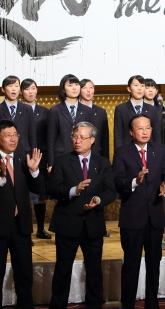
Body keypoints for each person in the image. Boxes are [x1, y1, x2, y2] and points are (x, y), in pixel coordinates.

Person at [0, 119, 43, 309]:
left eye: (15, 135)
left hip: (21, 225)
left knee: (25, 274)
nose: (13, 139)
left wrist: (34, 171)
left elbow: (38, 189)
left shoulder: (23, 159)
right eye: (8, 135)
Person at [48, 122, 116, 309]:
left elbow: (111, 191)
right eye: (74, 137)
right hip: (67, 224)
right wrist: (73, 190)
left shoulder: (103, 163)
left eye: (82, 137)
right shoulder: (62, 161)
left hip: (93, 224)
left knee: (94, 272)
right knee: (62, 271)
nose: (77, 141)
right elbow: (53, 189)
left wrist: (97, 200)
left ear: (92, 140)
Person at [113, 114, 165, 309]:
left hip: (155, 217)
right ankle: (128, 304)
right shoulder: (122, 152)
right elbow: (117, 182)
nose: (145, 132)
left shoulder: (159, 150)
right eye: (140, 128)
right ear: (131, 132)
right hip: (132, 218)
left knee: (154, 264)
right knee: (131, 265)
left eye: (148, 128)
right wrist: (135, 181)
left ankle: (152, 304)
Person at [21, 78, 51, 240]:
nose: (30, 92)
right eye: (27, 89)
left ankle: (40, 228)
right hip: (22, 156)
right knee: (24, 195)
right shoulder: (18, 110)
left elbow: (48, 136)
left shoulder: (45, 111)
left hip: (40, 156)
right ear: (21, 92)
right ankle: (26, 230)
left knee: (40, 195)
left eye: (33, 88)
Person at [47, 74, 94, 169]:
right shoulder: (55, 110)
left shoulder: (87, 111)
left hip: (82, 157)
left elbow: (91, 137)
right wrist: (51, 163)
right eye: (70, 85)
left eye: (76, 85)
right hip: (61, 156)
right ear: (63, 89)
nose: (74, 88)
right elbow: (51, 139)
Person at [0, 75, 37, 158]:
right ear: (3, 89)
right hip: (3, 154)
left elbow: (32, 135)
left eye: (16, 86)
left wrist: (33, 155)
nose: (13, 89)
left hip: (24, 153)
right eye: (10, 86)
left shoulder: (27, 109)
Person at [113, 75, 161, 151]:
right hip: (127, 151)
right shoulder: (121, 109)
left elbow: (156, 135)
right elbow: (118, 135)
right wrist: (119, 153)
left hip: (148, 151)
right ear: (129, 89)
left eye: (142, 86)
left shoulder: (152, 109)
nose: (139, 88)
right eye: (136, 85)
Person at [79, 78, 110, 159]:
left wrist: (106, 160)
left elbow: (104, 138)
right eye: (84, 88)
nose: (88, 91)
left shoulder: (101, 111)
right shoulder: (76, 110)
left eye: (91, 87)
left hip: (97, 153)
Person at [143, 78, 165, 159]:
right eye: (147, 88)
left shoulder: (162, 109)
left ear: (156, 91)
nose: (150, 90)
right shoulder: (139, 108)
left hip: (159, 150)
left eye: (153, 88)